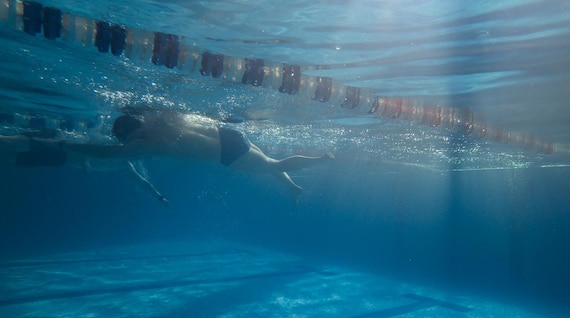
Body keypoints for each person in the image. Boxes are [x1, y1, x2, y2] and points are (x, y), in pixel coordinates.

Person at [61, 108, 335, 204]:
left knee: (273, 164)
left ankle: (321, 160)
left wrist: (68, 146)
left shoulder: (141, 144)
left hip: (224, 152)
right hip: (226, 131)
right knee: (265, 160)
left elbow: (103, 153)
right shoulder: (158, 120)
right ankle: (293, 188)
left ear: (124, 134)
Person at [0, 132, 170, 206]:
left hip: (60, 159)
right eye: (137, 152)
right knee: (21, 144)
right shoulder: (114, 148)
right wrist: (86, 163)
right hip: (61, 149)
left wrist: (159, 197)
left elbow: (142, 182)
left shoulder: (124, 165)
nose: (137, 156)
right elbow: (92, 144)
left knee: (15, 158)